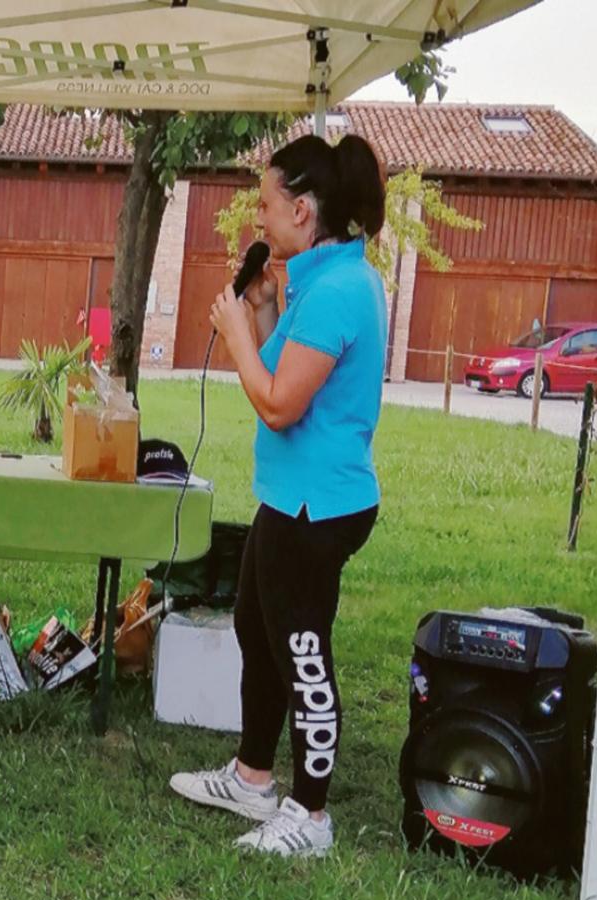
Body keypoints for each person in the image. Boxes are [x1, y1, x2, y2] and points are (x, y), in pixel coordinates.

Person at [168, 134, 388, 859]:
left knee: (301, 649)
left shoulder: (340, 291)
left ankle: (312, 815)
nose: (257, 219)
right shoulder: (318, 277)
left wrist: (233, 332)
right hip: (289, 496)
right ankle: (253, 774)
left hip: (319, 506)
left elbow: (279, 403)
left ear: (302, 208)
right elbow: (276, 368)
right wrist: (257, 315)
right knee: (254, 628)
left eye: (265, 204)